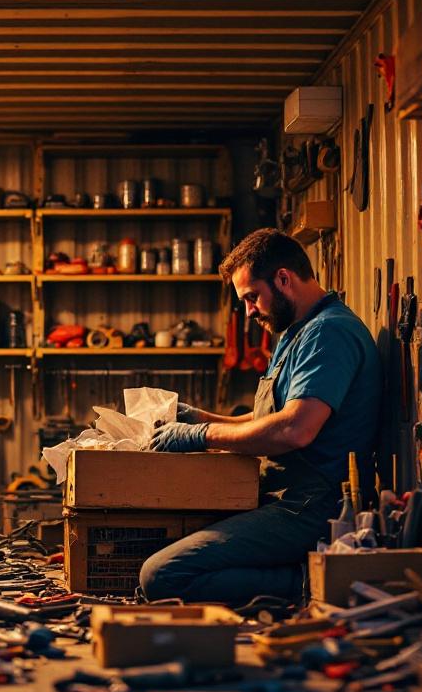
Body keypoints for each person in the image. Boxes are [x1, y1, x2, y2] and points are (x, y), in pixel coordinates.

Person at [139, 229, 382, 604]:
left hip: (312, 508)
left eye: (252, 297)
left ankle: (309, 584)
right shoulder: (295, 332)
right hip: (281, 493)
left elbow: (294, 430)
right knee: (162, 546)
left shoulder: (328, 333)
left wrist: (202, 435)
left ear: (283, 279)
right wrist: (198, 418)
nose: (249, 311)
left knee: (163, 575)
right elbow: (271, 417)